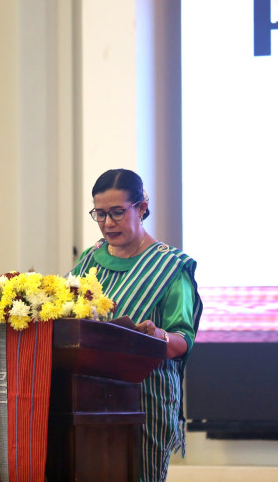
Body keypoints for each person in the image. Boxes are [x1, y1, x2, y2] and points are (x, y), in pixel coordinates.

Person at [70, 168, 203, 482]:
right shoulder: (90, 259)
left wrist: (157, 336)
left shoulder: (171, 267)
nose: (107, 223)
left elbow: (183, 339)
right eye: (100, 214)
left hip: (145, 399)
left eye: (117, 212)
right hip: (90, 398)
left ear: (141, 208)